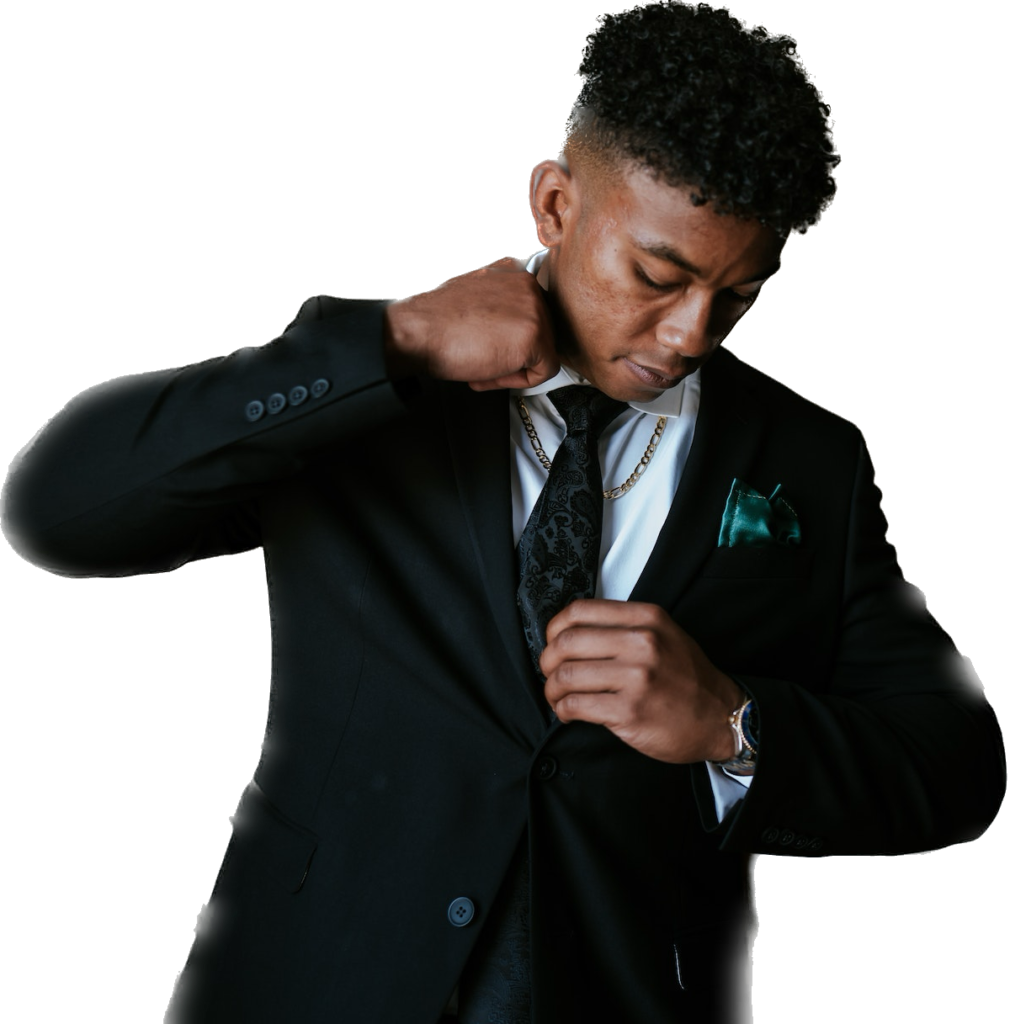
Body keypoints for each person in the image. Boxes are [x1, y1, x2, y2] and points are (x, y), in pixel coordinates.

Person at [1, 2, 1003, 1022]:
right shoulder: (365, 375)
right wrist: (387, 347)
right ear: (553, 204)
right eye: (657, 277)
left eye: (738, 293)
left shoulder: (809, 459)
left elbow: (954, 763)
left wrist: (729, 723)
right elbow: (52, 512)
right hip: (311, 985)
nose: (693, 331)